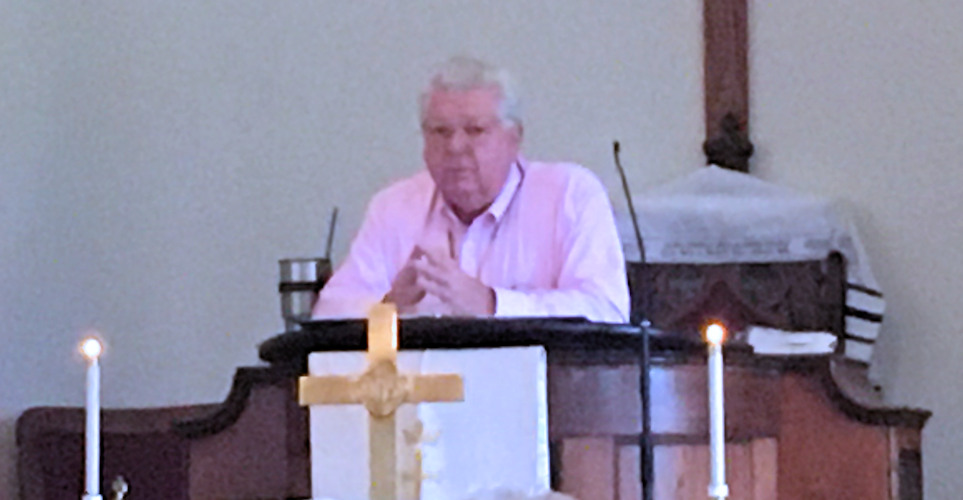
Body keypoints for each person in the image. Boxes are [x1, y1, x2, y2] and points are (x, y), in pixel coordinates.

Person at [312, 56, 629, 322]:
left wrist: (491, 304)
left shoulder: (569, 195)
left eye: (475, 130)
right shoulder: (393, 207)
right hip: (423, 379)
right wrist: (389, 307)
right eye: (440, 132)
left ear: (514, 138)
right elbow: (328, 314)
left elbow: (607, 311)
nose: (455, 146)